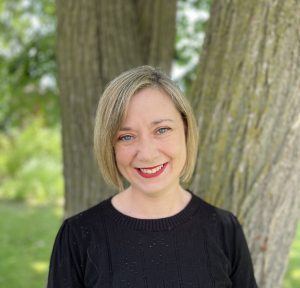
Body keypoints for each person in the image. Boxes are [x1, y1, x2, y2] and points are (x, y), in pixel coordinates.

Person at [47, 66, 257, 287]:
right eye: (126, 136)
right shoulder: (78, 236)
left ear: (185, 129)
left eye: (162, 130)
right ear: (110, 145)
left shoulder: (225, 229)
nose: (147, 154)